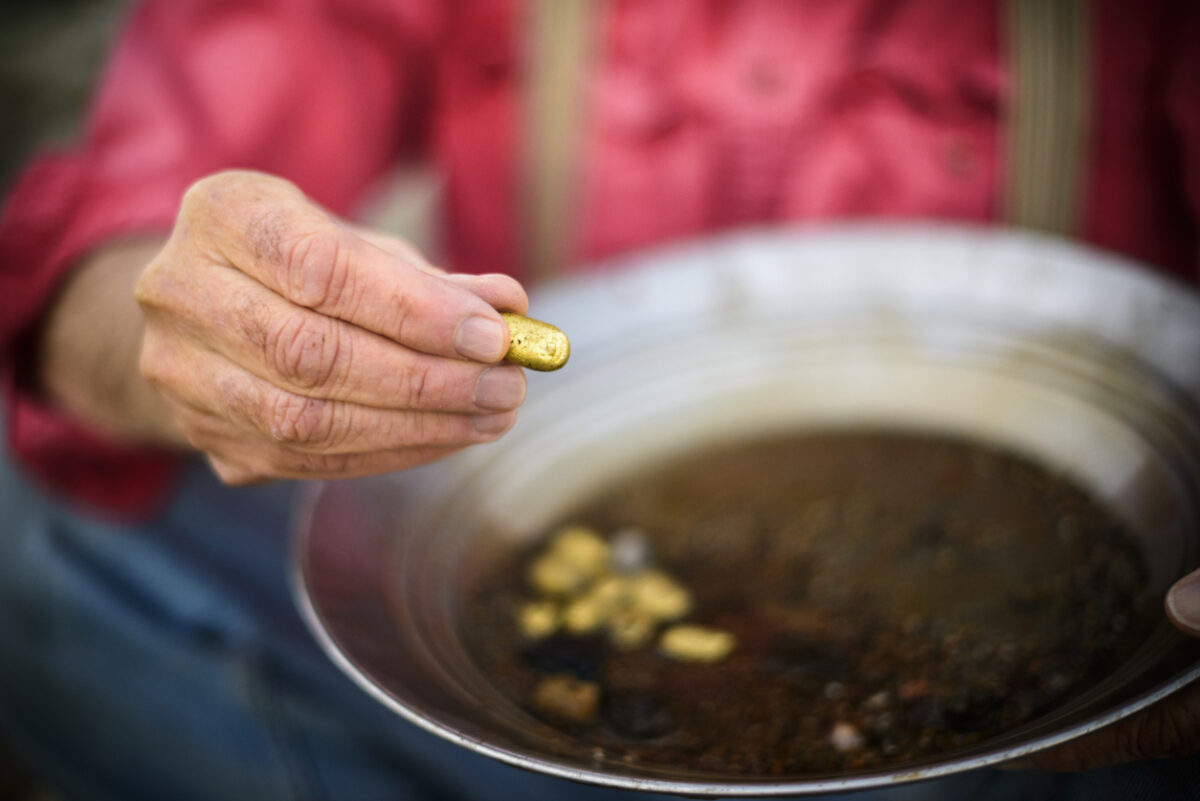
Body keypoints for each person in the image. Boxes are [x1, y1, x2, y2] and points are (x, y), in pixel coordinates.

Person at [1, 1, 1198, 799]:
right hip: (545, 615)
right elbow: (118, 231)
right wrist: (186, 322)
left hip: (1075, 739)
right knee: (36, 535)